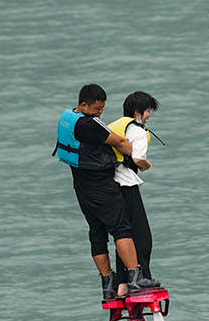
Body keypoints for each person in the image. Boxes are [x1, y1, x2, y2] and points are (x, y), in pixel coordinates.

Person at [53, 84, 162, 299]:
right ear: (84, 105)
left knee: (97, 234)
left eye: (102, 108)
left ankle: (108, 282)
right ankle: (135, 278)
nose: (100, 112)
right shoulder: (90, 124)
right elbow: (120, 142)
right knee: (122, 229)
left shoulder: (68, 119)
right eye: (97, 108)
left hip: (81, 187)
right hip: (102, 187)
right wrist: (135, 154)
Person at [106, 91, 159, 280]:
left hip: (108, 185)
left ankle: (123, 282)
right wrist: (146, 165)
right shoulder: (138, 132)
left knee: (123, 235)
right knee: (142, 237)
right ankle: (143, 277)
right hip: (127, 185)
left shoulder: (114, 126)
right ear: (137, 112)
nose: (149, 115)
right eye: (148, 111)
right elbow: (138, 159)